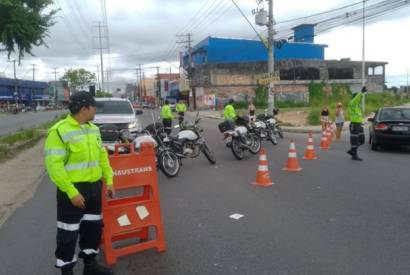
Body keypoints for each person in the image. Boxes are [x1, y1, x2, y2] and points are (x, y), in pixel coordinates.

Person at [44, 91, 114, 275]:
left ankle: (90, 266)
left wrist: (110, 180)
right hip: (72, 190)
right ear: (84, 108)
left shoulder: (93, 128)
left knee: (93, 228)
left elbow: (102, 156)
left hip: (93, 187)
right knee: (68, 233)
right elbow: (54, 166)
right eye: (93, 107)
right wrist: (71, 192)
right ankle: (67, 271)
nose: (95, 110)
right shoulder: (59, 131)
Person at [347, 87, 367, 161]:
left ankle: (352, 150)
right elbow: (356, 100)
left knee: (362, 140)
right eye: (359, 98)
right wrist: (361, 93)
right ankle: (354, 154)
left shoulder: (357, 106)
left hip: (359, 124)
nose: (360, 99)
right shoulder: (352, 103)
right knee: (354, 141)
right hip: (354, 125)